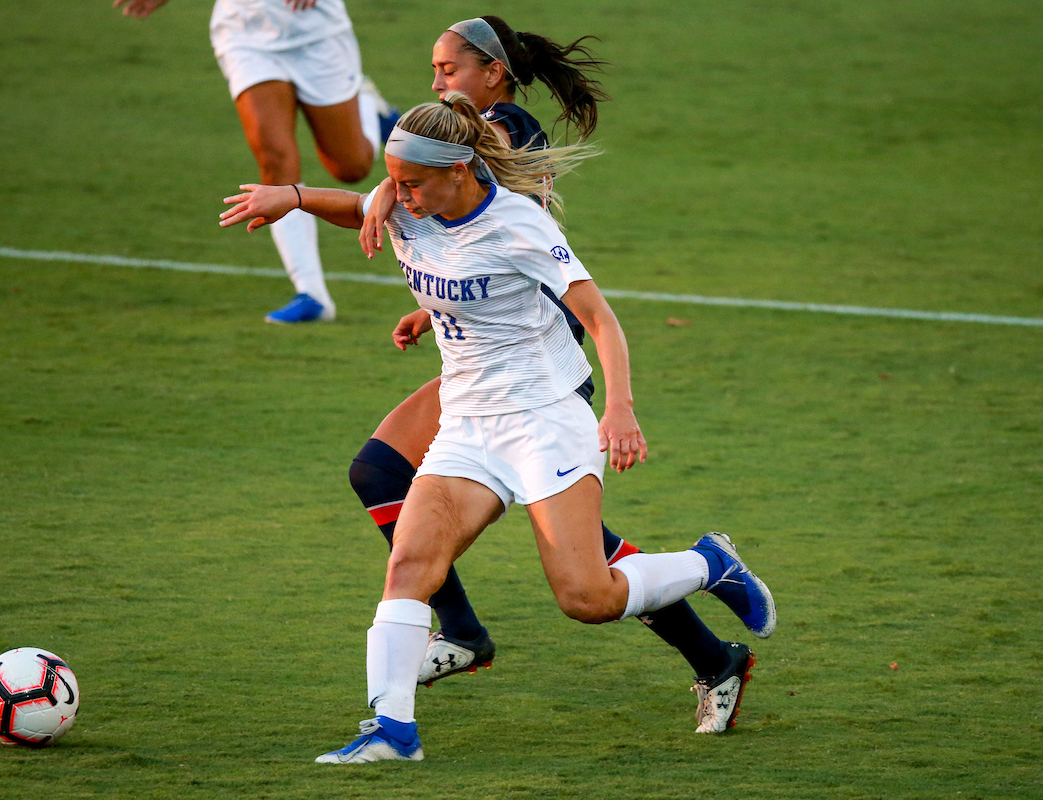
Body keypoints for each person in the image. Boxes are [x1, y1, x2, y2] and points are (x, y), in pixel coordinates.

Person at [218, 94, 776, 763]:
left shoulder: (519, 225)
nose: (395, 195)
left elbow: (599, 318)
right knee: (410, 567)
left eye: (409, 183)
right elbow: (363, 208)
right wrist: (296, 195)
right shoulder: (406, 198)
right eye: (392, 181)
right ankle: (394, 733)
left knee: (586, 597)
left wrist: (620, 408)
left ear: (460, 170)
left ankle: (710, 563)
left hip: (545, 421)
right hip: (467, 423)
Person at [349, 16, 765, 735]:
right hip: (484, 365)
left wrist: (386, 188)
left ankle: (703, 625)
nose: (438, 83)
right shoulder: (452, 152)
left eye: (449, 70)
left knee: (586, 573)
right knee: (382, 473)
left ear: (494, 74)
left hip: (536, 376)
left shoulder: (500, 131)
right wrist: (430, 295)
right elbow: (460, 240)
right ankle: (459, 641)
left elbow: (487, 216)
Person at [115, 0, 399, 323]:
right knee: (273, 155)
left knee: (351, 167)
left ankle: (367, 104)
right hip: (244, 30)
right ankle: (312, 294)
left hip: (315, 29)